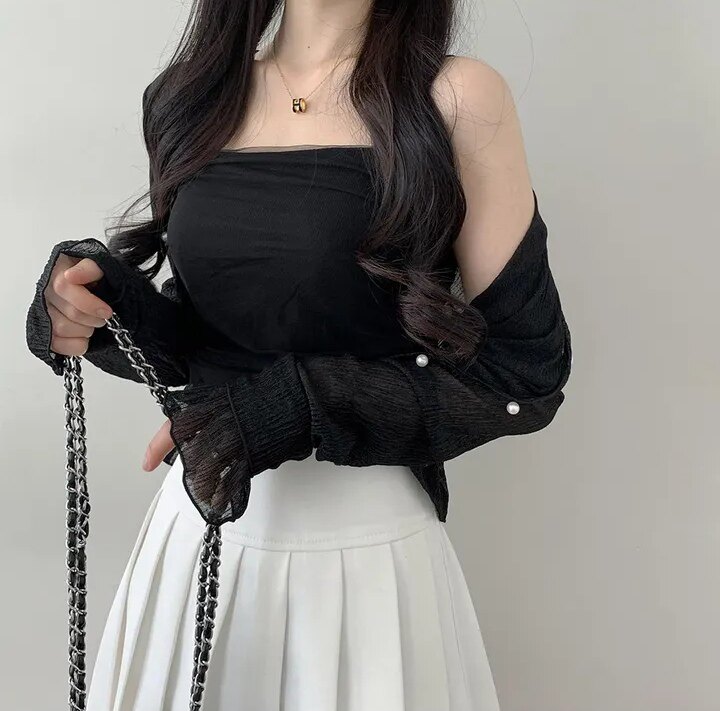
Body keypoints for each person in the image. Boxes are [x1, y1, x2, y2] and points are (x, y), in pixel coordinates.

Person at [25, 1, 572, 709]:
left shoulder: (455, 98)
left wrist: (297, 405)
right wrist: (105, 306)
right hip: (197, 534)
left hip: (364, 556)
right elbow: (205, 347)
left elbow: (524, 374)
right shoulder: (189, 97)